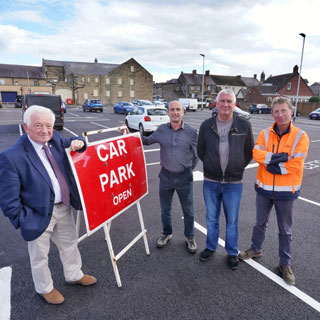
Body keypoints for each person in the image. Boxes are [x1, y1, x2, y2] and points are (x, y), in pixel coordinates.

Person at [0, 105, 97, 305]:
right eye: (38, 125)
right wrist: (22, 220)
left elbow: (77, 142)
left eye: (48, 126)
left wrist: (80, 142)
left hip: (63, 207)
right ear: (25, 127)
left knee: (69, 245)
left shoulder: (55, 140)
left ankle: (74, 274)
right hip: (36, 214)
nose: (45, 130)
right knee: (39, 256)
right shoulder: (12, 156)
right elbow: (8, 199)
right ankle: (44, 288)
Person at [239, 97, 309, 285]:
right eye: (276, 111)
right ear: (272, 113)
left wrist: (271, 164)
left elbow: (295, 164)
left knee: (285, 230)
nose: (280, 115)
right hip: (264, 189)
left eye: (283, 110)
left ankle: (285, 264)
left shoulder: (301, 136)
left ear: (291, 111)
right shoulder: (264, 133)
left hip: (286, 193)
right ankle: (256, 249)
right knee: (259, 223)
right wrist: (280, 157)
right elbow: (257, 153)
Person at [197, 89, 254, 270]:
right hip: (211, 180)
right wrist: (211, 165)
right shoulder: (206, 125)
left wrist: (237, 167)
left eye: (229, 101)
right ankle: (211, 246)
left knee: (232, 219)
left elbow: (249, 151)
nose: (226, 104)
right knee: (211, 217)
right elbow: (201, 151)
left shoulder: (244, 125)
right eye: (222, 101)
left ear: (234, 104)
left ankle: (231, 251)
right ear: (216, 103)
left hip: (233, 182)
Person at [141, 101, 198, 253]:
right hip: (165, 176)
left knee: (188, 210)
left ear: (183, 112)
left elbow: (196, 155)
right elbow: (146, 141)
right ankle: (166, 233)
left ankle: (190, 236)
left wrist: (188, 169)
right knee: (165, 209)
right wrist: (129, 134)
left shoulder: (191, 132)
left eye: (178, 110)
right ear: (168, 112)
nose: (175, 112)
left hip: (184, 177)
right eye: (172, 110)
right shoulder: (161, 130)